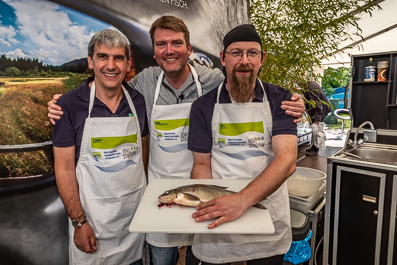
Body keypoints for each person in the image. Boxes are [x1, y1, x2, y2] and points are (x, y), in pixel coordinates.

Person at [48, 16, 305, 265]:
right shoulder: (141, 88)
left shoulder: (213, 81)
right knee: (161, 259)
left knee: (199, 257)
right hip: (166, 195)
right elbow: (113, 103)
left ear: (189, 48)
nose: (170, 51)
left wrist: (296, 102)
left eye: (177, 43)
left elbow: (245, 82)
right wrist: (61, 105)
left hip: (211, 193)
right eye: (161, 44)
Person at [187, 24, 297, 264]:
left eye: (252, 53)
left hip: (267, 216)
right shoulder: (203, 107)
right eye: (236, 53)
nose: (244, 60)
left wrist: (241, 201)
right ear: (223, 58)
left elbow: (286, 161)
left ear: (262, 58)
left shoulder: (282, 100)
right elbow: (201, 164)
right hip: (219, 216)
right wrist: (210, 207)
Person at [52, 29, 148, 265]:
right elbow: (64, 169)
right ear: (90, 61)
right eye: (103, 57)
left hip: (133, 224)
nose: (111, 66)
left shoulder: (138, 101)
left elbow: (143, 153)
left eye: (118, 58)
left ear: (127, 63)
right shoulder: (69, 104)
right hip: (93, 226)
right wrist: (79, 222)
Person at [302, 81, 331, 156]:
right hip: (319, 111)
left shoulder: (311, 88)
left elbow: (318, 105)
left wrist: (317, 119)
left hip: (319, 111)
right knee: (316, 130)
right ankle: (314, 147)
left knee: (316, 130)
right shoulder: (311, 84)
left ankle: (315, 149)